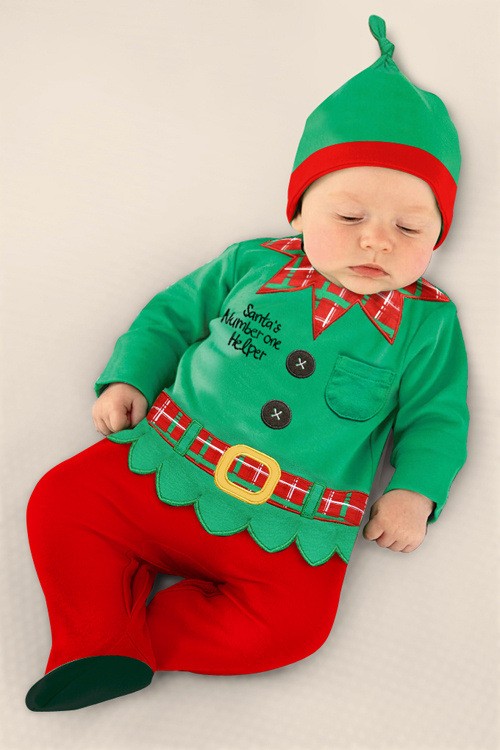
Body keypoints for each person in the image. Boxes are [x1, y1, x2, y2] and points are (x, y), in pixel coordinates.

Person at [25, 15, 469, 711]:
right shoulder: (251, 264)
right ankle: (95, 633)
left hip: (290, 528)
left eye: (410, 228)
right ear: (298, 211)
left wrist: (416, 491)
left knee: (292, 631)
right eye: (349, 217)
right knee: (62, 502)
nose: (377, 241)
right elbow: (171, 317)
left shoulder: (428, 324)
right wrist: (130, 375)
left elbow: (437, 417)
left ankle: (123, 645)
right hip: (164, 464)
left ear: (437, 237)